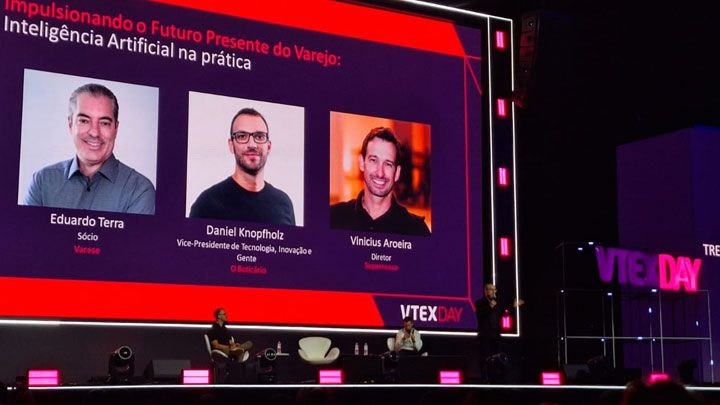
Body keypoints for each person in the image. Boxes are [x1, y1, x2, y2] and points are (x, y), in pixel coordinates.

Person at [24, 83, 155, 214]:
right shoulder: (42, 182)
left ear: (116, 129)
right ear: (70, 125)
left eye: (104, 123)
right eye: (84, 121)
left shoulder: (139, 191)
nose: (94, 132)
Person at [189, 108, 295, 225]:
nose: (252, 144)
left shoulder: (284, 203)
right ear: (231, 145)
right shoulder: (207, 205)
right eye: (242, 136)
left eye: (259, 136)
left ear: (269, 147)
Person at [330, 127, 430, 236]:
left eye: (388, 164)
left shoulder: (417, 230)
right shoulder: (333, 217)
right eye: (373, 160)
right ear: (362, 163)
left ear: (397, 173)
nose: (380, 173)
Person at [475, 283, 523, 382]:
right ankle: (485, 379)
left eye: (494, 290)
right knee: (485, 357)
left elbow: (503, 312)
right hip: (485, 335)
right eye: (491, 289)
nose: (494, 291)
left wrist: (514, 306)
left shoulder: (496, 303)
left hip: (495, 334)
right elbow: (480, 315)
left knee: (497, 356)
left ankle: (495, 378)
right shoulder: (479, 303)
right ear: (486, 291)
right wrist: (490, 306)